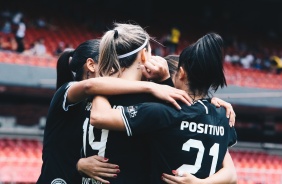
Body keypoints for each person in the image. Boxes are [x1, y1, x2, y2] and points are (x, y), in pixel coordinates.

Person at [81, 22, 236, 184]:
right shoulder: (156, 104)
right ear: (143, 55)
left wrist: (77, 163)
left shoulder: (85, 92)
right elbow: (231, 174)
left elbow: (64, 138)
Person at [37, 38, 192, 184]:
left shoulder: (104, 101)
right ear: (91, 65)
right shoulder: (67, 92)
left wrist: (207, 103)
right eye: (110, 62)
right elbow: (89, 86)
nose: (115, 68)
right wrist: (78, 164)